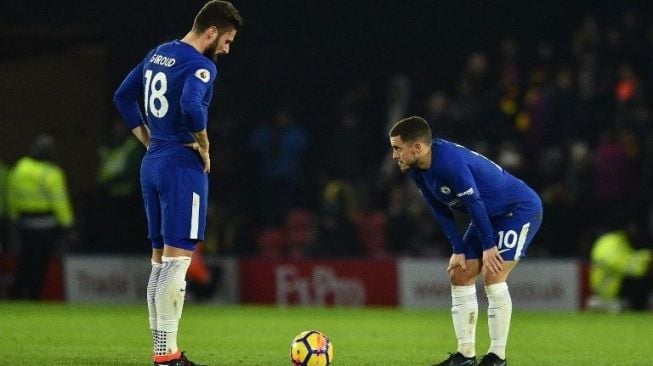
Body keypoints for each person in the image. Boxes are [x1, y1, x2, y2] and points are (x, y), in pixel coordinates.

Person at [113, 2, 242, 365]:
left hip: (153, 162)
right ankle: (167, 356)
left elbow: (122, 96)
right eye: (228, 41)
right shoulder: (201, 66)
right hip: (181, 166)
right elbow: (191, 106)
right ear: (212, 32)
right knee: (177, 263)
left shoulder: (159, 53)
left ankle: (161, 352)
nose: (227, 50)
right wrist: (203, 143)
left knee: (160, 262)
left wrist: (148, 140)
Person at [388, 116, 543, 366]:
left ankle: (497, 357)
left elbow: (474, 202)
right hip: (487, 215)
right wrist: (458, 248)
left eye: (397, 148)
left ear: (416, 148)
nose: (394, 155)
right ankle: (465, 356)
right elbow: (438, 207)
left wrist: (489, 245)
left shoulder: (449, 162)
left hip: (517, 210)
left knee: (493, 276)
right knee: (460, 273)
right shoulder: (416, 169)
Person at [7, 134, 74, 299]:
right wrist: (68, 224)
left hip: (23, 223)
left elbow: (11, 194)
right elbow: (59, 201)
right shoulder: (51, 173)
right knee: (40, 262)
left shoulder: (20, 167)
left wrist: (14, 216)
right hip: (46, 225)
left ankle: (16, 292)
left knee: (24, 259)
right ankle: (33, 294)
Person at [588, 215, 652, 312]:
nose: (635, 230)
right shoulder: (611, 241)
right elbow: (619, 262)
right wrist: (646, 263)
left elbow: (628, 258)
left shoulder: (618, 241)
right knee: (643, 280)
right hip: (610, 288)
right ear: (625, 227)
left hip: (611, 286)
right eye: (632, 226)